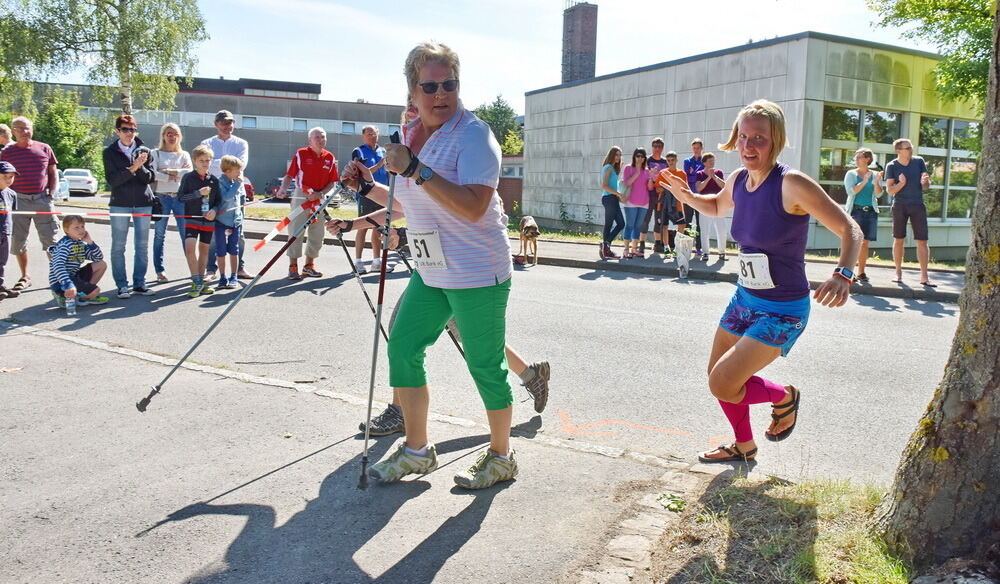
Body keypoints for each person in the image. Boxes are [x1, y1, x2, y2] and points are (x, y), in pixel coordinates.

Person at [327, 41, 518, 489]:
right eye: (429, 86)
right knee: (403, 347)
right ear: (412, 90)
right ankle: (417, 451)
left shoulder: (474, 135)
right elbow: (405, 204)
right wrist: (368, 185)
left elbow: (472, 207)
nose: (440, 94)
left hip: (476, 271)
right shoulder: (413, 136)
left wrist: (416, 170)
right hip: (434, 270)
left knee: (485, 366)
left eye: (449, 84)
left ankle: (502, 455)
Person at [662, 99, 861, 463]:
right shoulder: (737, 180)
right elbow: (718, 207)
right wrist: (686, 195)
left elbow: (850, 229)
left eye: (760, 139)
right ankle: (744, 445)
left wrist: (843, 274)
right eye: (743, 137)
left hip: (783, 309)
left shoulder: (792, 184)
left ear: (776, 141)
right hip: (744, 299)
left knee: (722, 382)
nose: (749, 146)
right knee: (718, 378)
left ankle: (784, 396)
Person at [0, 116, 59, 292]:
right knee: (18, 241)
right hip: (18, 201)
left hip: (42, 200)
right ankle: (25, 276)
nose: (24, 132)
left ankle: (59, 275)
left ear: (32, 129)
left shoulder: (44, 148)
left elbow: (52, 171)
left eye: (27, 128)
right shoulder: (7, 152)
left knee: (51, 239)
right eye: (20, 128)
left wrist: (52, 192)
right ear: (13, 131)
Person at [102, 114, 156, 299]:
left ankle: (140, 284)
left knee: (141, 245)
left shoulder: (145, 151)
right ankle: (122, 285)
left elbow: (150, 178)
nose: (129, 133)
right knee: (118, 246)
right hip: (120, 204)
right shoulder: (109, 152)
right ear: (117, 131)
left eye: (132, 129)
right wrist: (133, 168)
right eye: (125, 129)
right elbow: (113, 181)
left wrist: (140, 167)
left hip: (143, 204)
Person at [276, 127, 339, 280]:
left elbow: (332, 182)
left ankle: (309, 266)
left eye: (323, 137)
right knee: (296, 230)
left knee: (317, 233)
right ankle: (293, 266)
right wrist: (283, 189)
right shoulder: (301, 154)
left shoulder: (330, 157)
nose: (320, 140)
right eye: (316, 137)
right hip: (302, 196)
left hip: (320, 198)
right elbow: (289, 175)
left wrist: (321, 194)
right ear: (310, 140)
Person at [200, 110, 252, 281]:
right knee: (214, 233)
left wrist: (218, 163)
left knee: (239, 233)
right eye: (224, 123)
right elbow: (206, 165)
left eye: (230, 123)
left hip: (238, 194)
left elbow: (241, 165)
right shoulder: (206, 143)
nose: (228, 126)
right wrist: (228, 164)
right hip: (214, 194)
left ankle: (240, 268)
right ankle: (211, 269)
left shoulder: (241, 143)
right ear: (216, 124)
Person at [884, 138, 934, 286]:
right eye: (907, 148)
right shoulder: (892, 165)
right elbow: (890, 190)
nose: (911, 150)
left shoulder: (919, 161)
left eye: (911, 147)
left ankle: (924, 277)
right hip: (900, 206)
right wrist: (902, 183)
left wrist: (925, 182)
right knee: (899, 239)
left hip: (917, 205)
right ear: (898, 150)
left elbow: (925, 187)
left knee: (922, 241)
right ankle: (898, 273)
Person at [151, 123, 192, 283]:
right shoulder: (156, 153)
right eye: (168, 133)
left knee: (186, 234)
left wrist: (171, 171)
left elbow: (188, 173)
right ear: (163, 135)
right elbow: (153, 174)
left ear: (179, 136)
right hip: (162, 197)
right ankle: (159, 271)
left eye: (175, 133)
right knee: (159, 234)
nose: (171, 136)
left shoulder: (184, 155)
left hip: (181, 198)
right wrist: (171, 176)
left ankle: (193, 268)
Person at [178, 145, 220, 298]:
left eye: (208, 160)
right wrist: (198, 193)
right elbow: (181, 197)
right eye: (201, 160)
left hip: (208, 221)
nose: (205, 163)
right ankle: (195, 279)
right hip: (191, 218)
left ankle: (201, 282)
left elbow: (218, 201)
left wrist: (214, 210)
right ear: (195, 161)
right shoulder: (188, 178)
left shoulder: (214, 180)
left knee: (204, 251)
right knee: (189, 248)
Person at [351, 125, 394, 274]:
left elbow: (388, 171)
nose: (372, 136)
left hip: (383, 194)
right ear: (363, 136)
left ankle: (377, 261)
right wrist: (380, 164)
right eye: (369, 134)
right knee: (362, 227)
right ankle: (358, 262)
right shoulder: (359, 151)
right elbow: (363, 172)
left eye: (374, 134)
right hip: (366, 194)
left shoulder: (383, 151)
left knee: (378, 227)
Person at [47, 215, 109, 311]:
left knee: (101, 264)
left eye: (82, 226)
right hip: (60, 281)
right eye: (76, 227)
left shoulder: (80, 244)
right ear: (66, 230)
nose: (81, 230)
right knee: (95, 291)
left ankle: (81, 295)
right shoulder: (64, 245)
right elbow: (58, 266)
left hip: (74, 275)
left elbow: (98, 257)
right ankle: (63, 295)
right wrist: (68, 284)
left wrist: (90, 242)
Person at [844, 148, 883, 282]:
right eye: (855, 157)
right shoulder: (851, 174)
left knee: (865, 243)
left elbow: (878, 194)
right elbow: (851, 192)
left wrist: (877, 182)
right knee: (854, 242)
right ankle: (849, 272)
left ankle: (861, 272)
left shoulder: (875, 174)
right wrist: (864, 181)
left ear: (867, 159)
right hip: (855, 211)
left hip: (870, 211)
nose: (856, 159)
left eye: (859, 157)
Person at [214, 155, 247, 289]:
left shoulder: (236, 182)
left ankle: (234, 275)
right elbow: (227, 198)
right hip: (221, 222)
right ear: (227, 171)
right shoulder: (220, 183)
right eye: (237, 170)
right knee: (221, 250)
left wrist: (240, 218)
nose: (240, 173)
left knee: (234, 249)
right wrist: (238, 184)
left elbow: (238, 201)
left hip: (235, 222)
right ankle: (222, 277)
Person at [695, 153, 730, 260]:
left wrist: (714, 177)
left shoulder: (719, 172)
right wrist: (709, 178)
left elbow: (724, 186)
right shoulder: (699, 174)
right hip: (705, 204)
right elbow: (699, 188)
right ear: (704, 162)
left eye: (713, 160)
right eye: (710, 161)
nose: (712, 163)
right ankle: (705, 252)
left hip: (718, 203)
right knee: (705, 229)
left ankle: (722, 252)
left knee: (721, 229)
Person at [656, 151, 688, 256]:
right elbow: (658, 189)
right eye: (668, 160)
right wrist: (668, 188)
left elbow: (684, 188)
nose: (670, 162)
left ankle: (677, 246)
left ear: (676, 160)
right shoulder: (663, 172)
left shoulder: (682, 173)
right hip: (664, 204)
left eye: (672, 160)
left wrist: (674, 189)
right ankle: (666, 247)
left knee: (682, 224)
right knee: (664, 226)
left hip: (677, 204)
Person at [620, 148, 651, 258]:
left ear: (644, 158)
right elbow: (627, 183)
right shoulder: (628, 168)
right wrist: (637, 172)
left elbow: (649, 187)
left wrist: (651, 177)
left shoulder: (647, 171)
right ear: (634, 157)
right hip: (630, 202)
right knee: (629, 225)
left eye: (642, 156)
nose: (640, 158)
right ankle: (626, 249)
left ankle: (634, 249)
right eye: (638, 156)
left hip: (644, 202)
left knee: (638, 227)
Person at [598, 146, 625, 259]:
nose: (618, 157)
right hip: (609, 198)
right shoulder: (608, 167)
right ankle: (606, 248)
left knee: (621, 223)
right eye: (616, 155)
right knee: (609, 224)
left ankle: (606, 245)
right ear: (612, 155)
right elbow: (603, 185)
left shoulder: (612, 168)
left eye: (619, 155)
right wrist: (618, 193)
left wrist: (618, 194)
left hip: (612, 199)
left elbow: (613, 184)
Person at [0, 161, 20, 301]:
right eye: (5, 176)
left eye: (11, 177)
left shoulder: (12, 194)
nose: (9, 179)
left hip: (5, 232)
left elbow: (11, 214)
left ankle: (1, 285)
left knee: (2, 261)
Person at [683, 138, 706, 258]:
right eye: (694, 148)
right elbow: (688, 178)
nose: (696, 150)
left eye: (698, 148)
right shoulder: (687, 161)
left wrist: (694, 174)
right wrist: (696, 175)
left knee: (699, 223)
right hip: (689, 196)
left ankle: (699, 247)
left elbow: (704, 177)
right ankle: (686, 247)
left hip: (701, 197)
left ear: (702, 148)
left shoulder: (705, 161)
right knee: (688, 222)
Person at [645, 138, 669, 254]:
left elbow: (668, 177)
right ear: (652, 147)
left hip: (662, 194)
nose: (657, 148)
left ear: (662, 148)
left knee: (659, 219)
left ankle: (658, 243)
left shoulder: (665, 161)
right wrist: (654, 186)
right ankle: (641, 243)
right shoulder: (647, 160)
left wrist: (663, 188)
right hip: (649, 194)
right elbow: (644, 177)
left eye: (659, 146)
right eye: (655, 146)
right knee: (646, 218)